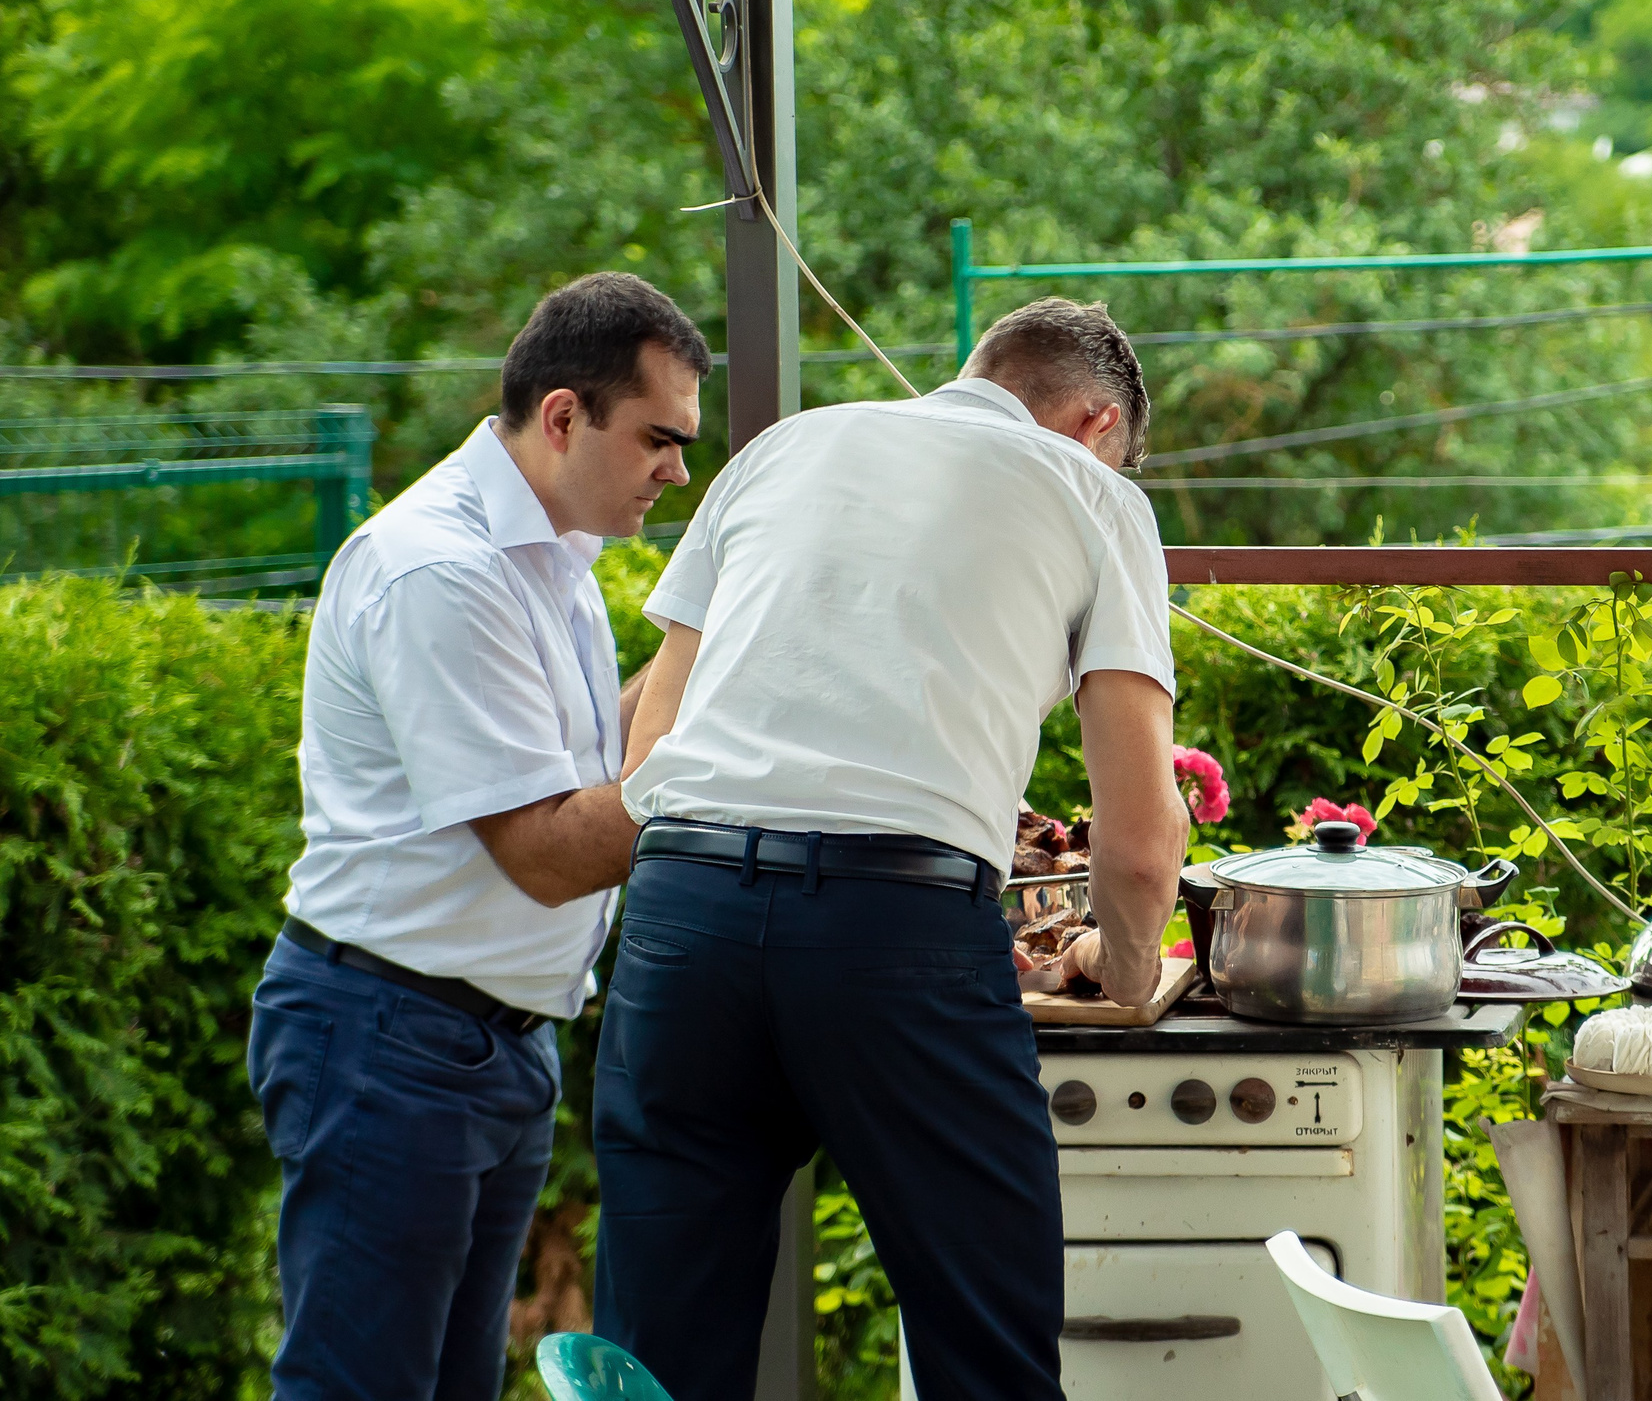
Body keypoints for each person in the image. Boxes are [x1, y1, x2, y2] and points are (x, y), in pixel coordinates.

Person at [592, 297, 1189, 1401]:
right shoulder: (1095, 496)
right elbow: (1142, 837)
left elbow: (654, 744)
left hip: (681, 916)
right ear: (1099, 422)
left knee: (656, 1365)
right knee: (985, 1353)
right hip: (893, 936)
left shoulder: (784, 447)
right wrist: (1126, 958)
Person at [249, 273, 711, 1401]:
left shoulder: (550, 551)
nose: (679, 472)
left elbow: (594, 755)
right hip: (390, 1037)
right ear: (563, 417)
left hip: (485, 1044)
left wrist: (726, 644)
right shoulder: (439, 570)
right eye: (658, 438)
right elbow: (550, 852)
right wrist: (723, 726)